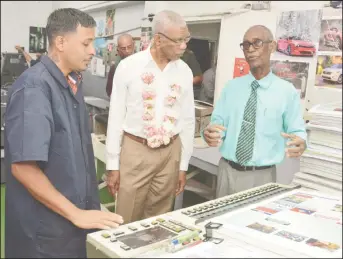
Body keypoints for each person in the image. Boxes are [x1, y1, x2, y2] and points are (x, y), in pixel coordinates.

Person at [4, 8, 123, 258]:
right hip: (46, 232)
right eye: (87, 43)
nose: (93, 51)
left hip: (70, 225)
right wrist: (76, 213)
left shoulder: (72, 83)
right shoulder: (34, 89)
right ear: (60, 42)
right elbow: (24, 167)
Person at [105, 10, 195, 224]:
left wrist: (183, 165)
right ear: (158, 39)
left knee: (159, 219)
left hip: (170, 152)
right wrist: (112, 164)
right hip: (136, 150)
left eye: (186, 39)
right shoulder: (128, 67)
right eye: (178, 40)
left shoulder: (184, 71)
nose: (184, 46)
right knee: (127, 217)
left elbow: (188, 120)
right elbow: (116, 117)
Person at [203, 25, 307, 198]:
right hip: (227, 172)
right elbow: (216, 123)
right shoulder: (231, 87)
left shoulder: (286, 92)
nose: (250, 50)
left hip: (263, 176)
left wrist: (301, 142)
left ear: (272, 46)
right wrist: (208, 132)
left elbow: (297, 131)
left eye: (257, 43)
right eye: (245, 45)